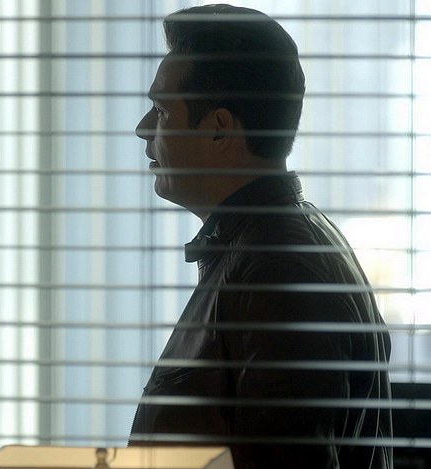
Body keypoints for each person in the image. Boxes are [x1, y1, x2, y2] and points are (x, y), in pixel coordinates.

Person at [129, 5, 391, 469]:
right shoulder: (270, 246)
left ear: (219, 129)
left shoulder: (278, 268)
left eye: (163, 111)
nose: (143, 129)